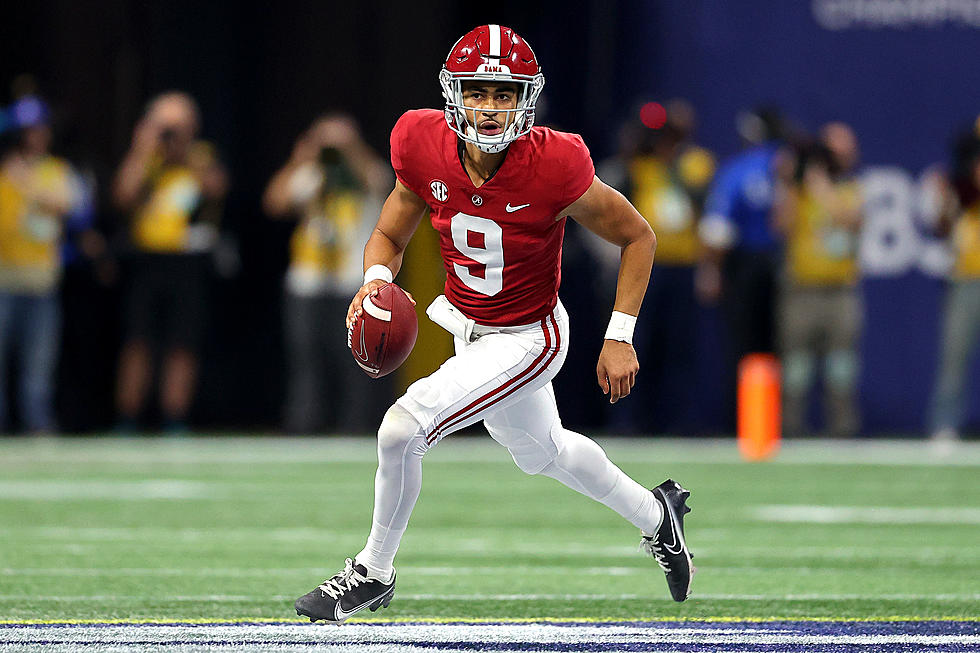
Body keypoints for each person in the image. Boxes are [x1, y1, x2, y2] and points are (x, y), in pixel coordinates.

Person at [294, 24, 695, 623]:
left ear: (525, 100)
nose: (489, 107)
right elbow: (387, 234)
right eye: (479, 92)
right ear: (455, 94)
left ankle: (372, 572)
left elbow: (638, 235)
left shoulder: (555, 163)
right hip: (467, 326)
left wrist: (618, 335)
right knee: (544, 453)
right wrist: (377, 281)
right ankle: (657, 517)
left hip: (529, 336)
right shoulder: (420, 143)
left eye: (503, 94)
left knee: (401, 430)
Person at [263, 114, 392, 433]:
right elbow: (274, 203)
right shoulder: (310, 174)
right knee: (306, 356)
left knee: (356, 359)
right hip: (307, 279)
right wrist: (302, 157)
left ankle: (357, 427)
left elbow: (383, 183)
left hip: (352, 280)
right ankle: (303, 424)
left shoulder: (367, 170)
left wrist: (350, 149)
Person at [112, 92, 228, 433]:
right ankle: (127, 418)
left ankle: (175, 418)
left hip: (187, 263)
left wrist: (184, 152)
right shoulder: (145, 158)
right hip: (147, 260)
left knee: (183, 343)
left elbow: (216, 188)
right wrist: (145, 149)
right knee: (137, 340)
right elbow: (122, 196)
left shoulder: (200, 157)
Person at [597, 101, 715, 434]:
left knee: (680, 346)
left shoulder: (693, 163)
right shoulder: (631, 166)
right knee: (634, 341)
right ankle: (625, 419)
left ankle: (680, 421)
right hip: (643, 267)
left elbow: (706, 209)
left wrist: (672, 162)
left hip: (682, 264)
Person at [697, 107, 794, 429]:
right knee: (780, 346)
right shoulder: (788, 166)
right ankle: (778, 422)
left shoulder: (738, 170)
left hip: (747, 267)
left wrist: (711, 269)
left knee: (743, 346)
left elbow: (718, 228)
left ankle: (746, 422)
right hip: (785, 265)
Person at [775, 123, 864, 437]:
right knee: (796, 367)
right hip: (802, 289)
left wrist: (820, 185)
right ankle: (791, 428)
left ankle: (842, 430)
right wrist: (787, 182)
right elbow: (781, 225)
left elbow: (850, 220)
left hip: (840, 290)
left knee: (841, 366)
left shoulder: (851, 188)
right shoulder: (798, 190)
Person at [0, 95, 80, 433]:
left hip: (42, 280)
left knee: (38, 365)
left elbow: (71, 206)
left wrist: (27, 182)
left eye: (40, 130)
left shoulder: (55, 170)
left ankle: (38, 426)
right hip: (4, 279)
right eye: (28, 131)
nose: (36, 136)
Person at [928, 125, 980, 442]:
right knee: (953, 358)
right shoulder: (961, 193)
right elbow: (941, 228)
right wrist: (944, 199)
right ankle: (944, 425)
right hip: (965, 281)